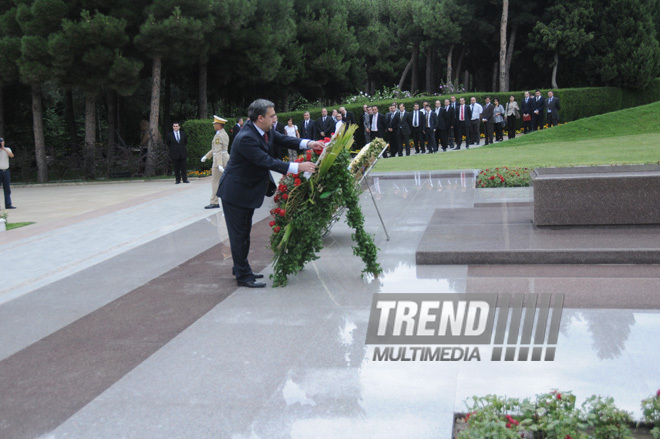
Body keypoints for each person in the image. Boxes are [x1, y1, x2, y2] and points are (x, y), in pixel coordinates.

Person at [217, 99, 322, 288]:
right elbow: (267, 161)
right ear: (260, 118)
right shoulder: (246, 137)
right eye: (272, 116)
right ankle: (243, 275)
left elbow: (284, 139)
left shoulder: (262, 130)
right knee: (239, 235)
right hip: (236, 193)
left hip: (245, 191)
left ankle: (241, 267)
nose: (276, 119)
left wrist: (309, 143)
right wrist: (298, 167)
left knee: (243, 234)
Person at [201, 116, 230, 209]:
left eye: (215, 124)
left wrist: (219, 164)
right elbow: (215, 149)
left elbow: (217, 151)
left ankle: (214, 202)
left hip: (219, 159)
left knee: (215, 181)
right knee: (227, 181)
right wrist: (207, 156)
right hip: (225, 157)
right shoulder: (224, 134)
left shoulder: (218, 136)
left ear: (219, 125)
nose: (213, 125)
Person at [0, 137, 16, 209]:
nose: (1, 143)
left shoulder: (7, 149)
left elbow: (11, 155)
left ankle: (8, 204)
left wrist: (4, 149)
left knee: (7, 189)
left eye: (2, 141)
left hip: (6, 171)